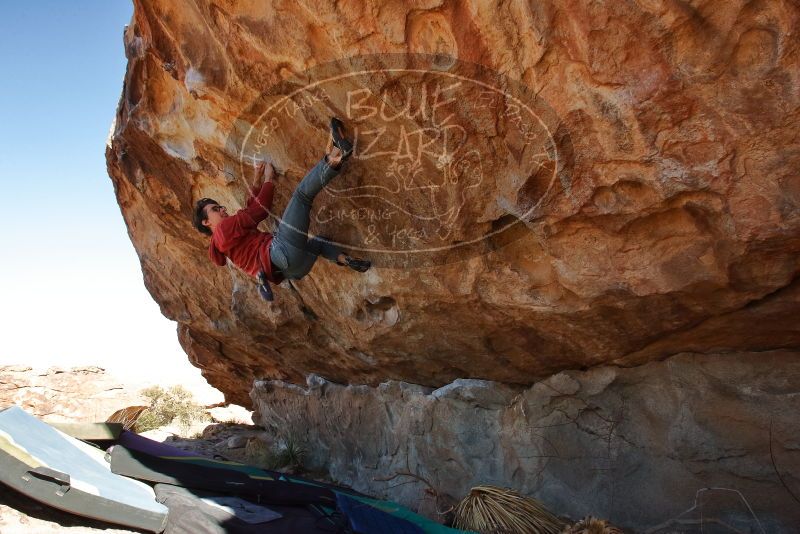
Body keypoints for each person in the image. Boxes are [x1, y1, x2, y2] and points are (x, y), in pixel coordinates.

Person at [193, 118, 370, 300]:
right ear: (207, 222)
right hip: (279, 252)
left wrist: (256, 178)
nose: (222, 209)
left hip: (294, 270)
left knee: (319, 243)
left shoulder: (227, 246)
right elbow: (259, 211)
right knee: (302, 195)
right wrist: (269, 179)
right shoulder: (222, 231)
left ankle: (346, 259)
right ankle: (336, 154)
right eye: (215, 209)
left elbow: (250, 211)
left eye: (220, 206)